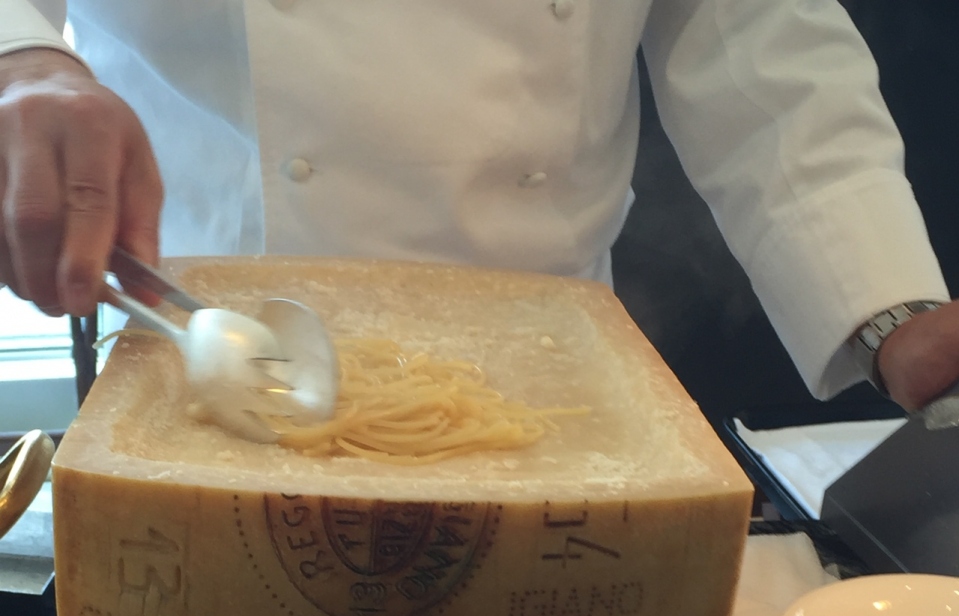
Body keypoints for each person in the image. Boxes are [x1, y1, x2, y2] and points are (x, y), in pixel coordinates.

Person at [1, 0, 958, 413]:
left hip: (550, 364)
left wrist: (884, 304)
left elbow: (746, 27)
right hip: (214, 339)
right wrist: (21, 63)